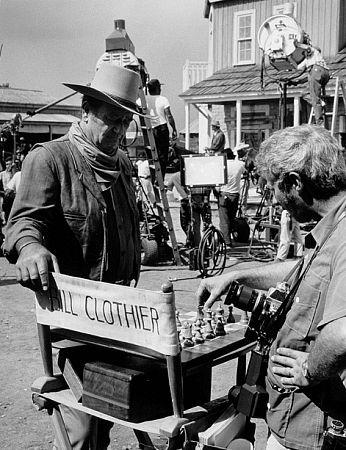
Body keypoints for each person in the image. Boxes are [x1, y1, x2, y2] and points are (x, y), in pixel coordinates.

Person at [3, 62, 145, 450]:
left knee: (120, 410)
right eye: (110, 120)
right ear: (85, 111)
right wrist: (30, 248)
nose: (118, 131)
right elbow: (22, 223)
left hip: (123, 317)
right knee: (81, 429)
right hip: (72, 321)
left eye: (125, 123)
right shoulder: (50, 159)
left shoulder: (122, 166)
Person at [196, 124, 346, 450]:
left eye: (273, 189)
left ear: (294, 183)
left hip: (315, 431)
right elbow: (304, 271)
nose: (276, 202)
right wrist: (237, 277)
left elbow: (343, 333)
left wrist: (309, 368)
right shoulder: (332, 225)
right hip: (294, 420)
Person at [166, 171, 211, 247]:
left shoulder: (175, 176)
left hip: (186, 201)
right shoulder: (198, 172)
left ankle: (195, 243)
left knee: (189, 223)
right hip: (202, 198)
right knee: (206, 222)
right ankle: (210, 243)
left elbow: (168, 187)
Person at [215, 143, 247, 247]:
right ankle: (229, 236)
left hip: (224, 194)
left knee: (224, 220)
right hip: (235, 195)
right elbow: (246, 173)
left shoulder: (221, 166)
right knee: (231, 218)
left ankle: (227, 242)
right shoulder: (239, 164)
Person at [144, 78, 177, 178]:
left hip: (150, 129)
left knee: (152, 155)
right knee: (163, 155)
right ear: (157, 88)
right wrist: (174, 129)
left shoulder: (145, 99)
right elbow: (169, 116)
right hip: (162, 128)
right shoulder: (163, 99)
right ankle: (160, 178)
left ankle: (154, 176)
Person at [297, 37, 330, 126]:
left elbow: (308, 48)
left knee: (315, 99)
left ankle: (320, 124)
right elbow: (298, 67)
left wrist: (297, 44)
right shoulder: (309, 60)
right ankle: (320, 102)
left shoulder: (314, 51)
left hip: (317, 71)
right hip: (324, 74)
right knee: (305, 93)